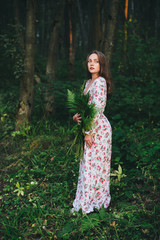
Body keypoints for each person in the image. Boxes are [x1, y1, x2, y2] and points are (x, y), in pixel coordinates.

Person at [72, 50, 113, 214]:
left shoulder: (101, 82)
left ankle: (96, 201)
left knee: (96, 166)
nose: (91, 64)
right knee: (87, 165)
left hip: (98, 130)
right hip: (88, 127)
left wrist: (89, 132)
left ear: (101, 65)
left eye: (95, 61)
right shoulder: (87, 82)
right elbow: (86, 107)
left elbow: (97, 108)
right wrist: (78, 116)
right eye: (89, 60)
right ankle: (86, 200)